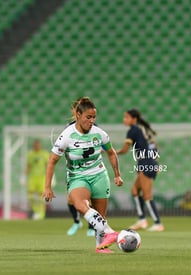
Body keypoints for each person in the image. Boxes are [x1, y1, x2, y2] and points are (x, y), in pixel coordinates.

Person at [43, 97, 123, 253]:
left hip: (99, 175)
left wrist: (117, 175)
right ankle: (111, 232)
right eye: (88, 117)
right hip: (77, 177)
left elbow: (111, 153)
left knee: (100, 216)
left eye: (93, 117)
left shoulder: (100, 134)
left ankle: (101, 247)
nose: (91, 120)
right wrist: (47, 187)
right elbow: (52, 161)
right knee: (80, 204)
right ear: (78, 115)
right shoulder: (66, 136)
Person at [117, 108, 164, 232]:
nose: (124, 120)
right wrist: (156, 161)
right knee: (134, 190)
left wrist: (111, 152)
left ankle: (158, 223)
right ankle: (142, 220)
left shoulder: (133, 131)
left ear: (134, 119)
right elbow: (154, 144)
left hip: (146, 163)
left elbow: (125, 150)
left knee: (147, 195)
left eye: (126, 117)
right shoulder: (143, 129)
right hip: (148, 162)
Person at [66, 98, 95, 237]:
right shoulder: (69, 127)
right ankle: (77, 222)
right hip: (73, 168)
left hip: (89, 167)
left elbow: (99, 143)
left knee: (88, 200)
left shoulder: (92, 126)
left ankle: (91, 226)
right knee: (70, 199)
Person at [26, 139, 49, 220]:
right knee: (30, 196)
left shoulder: (45, 154)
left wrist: (52, 177)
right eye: (35, 145)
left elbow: (48, 166)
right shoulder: (30, 154)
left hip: (42, 178)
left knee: (40, 197)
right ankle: (36, 211)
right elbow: (28, 166)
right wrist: (24, 176)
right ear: (33, 146)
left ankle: (41, 214)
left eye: (38, 145)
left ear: (40, 145)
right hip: (32, 178)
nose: (37, 146)